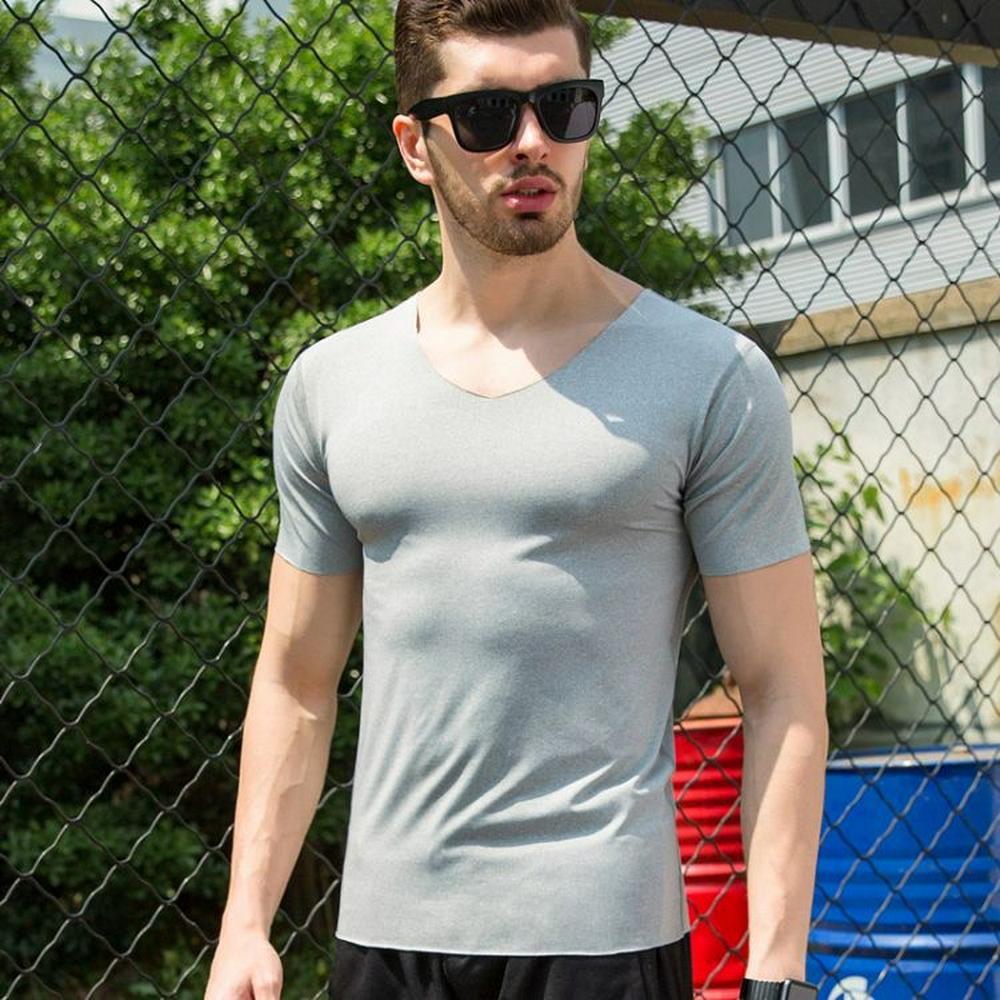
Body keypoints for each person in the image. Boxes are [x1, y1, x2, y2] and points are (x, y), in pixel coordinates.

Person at [204, 1, 828, 998]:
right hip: (386, 943)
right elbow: (296, 680)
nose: (533, 142)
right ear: (415, 144)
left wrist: (777, 972)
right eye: (488, 115)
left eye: (564, 105)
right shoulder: (331, 386)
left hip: (604, 943)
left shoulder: (709, 377)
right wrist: (245, 925)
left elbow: (782, 689)